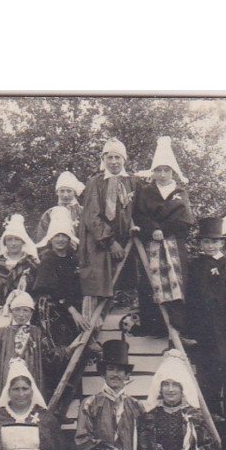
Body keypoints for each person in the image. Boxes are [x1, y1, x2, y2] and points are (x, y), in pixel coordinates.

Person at [132, 136, 194, 336]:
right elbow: (139, 213)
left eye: (166, 170)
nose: (162, 174)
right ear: (154, 172)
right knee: (150, 281)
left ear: (172, 171)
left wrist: (163, 229)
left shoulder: (179, 192)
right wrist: (152, 228)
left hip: (173, 241)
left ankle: (177, 326)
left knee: (176, 278)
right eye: (158, 170)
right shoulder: (147, 191)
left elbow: (183, 219)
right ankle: (153, 325)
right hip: (151, 243)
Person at [186, 215, 226, 417]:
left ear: (221, 243)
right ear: (201, 243)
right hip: (202, 328)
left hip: (221, 328)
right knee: (203, 371)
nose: (210, 246)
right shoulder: (194, 265)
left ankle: (221, 414)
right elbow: (190, 297)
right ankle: (208, 415)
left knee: (221, 368)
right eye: (206, 241)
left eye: (214, 241)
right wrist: (189, 328)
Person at [79, 138, 139, 320]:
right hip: (99, 243)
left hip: (126, 242)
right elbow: (92, 215)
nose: (113, 161)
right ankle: (90, 334)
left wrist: (134, 226)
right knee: (96, 287)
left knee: (125, 286)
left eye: (117, 157)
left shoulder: (132, 182)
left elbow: (137, 209)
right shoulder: (95, 182)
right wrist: (110, 242)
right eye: (110, 157)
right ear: (104, 159)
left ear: (124, 160)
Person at [32, 206, 88, 402]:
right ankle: (52, 397)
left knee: (75, 349)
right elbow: (51, 289)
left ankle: (68, 396)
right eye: (57, 237)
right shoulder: (48, 259)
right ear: (51, 239)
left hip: (71, 311)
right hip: (52, 313)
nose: (61, 240)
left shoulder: (74, 259)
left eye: (64, 236)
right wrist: (72, 310)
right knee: (56, 352)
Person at [0, 291, 45, 406]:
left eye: (25, 310)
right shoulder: (2, 333)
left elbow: (48, 356)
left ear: (31, 312)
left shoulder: (37, 333)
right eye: (17, 310)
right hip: (6, 382)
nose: (21, 314)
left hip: (32, 383)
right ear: (11, 312)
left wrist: (70, 348)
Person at [0, 213, 39, 306]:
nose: (13, 243)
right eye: (9, 239)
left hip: (26, 310)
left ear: (23, 241)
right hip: (0, 311)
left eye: (17, 239)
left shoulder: (32, 264)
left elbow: (37, 291)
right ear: (4, 242)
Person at [34, 170, 86, 245]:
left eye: (69, 191)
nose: (65, 195)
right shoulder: (50, 213)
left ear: (74, 192)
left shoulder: (83, 212)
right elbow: (41, 237)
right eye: (62, 191)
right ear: (57, 192)